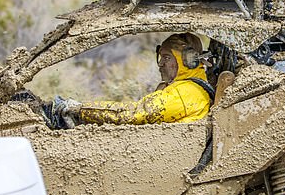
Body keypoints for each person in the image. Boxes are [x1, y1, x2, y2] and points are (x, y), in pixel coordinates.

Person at [47, 33, 214, 129]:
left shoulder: (185, 94)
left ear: (188, 60)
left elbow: (133, 115)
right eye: (161, 57)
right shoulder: (184, 87)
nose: (161, 63)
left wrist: (80, 109)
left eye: (167, 57)